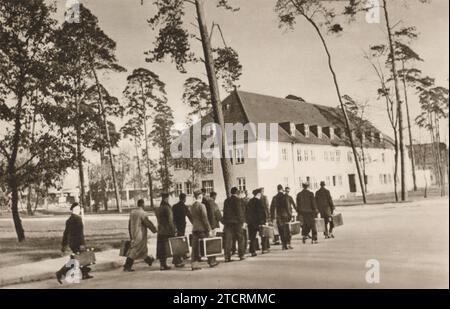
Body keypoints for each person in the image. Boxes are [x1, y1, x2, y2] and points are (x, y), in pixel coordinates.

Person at [56, 203, 93, 283]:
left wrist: (64, 244)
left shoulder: (69, 219)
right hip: (78, 243)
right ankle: (60, 273)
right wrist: (82, 244)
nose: (79, 210)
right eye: (78, 208)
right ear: (75, 209)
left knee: (79, 259)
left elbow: (65, 233)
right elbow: (80, 233)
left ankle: (84, 273)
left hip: (72, 243)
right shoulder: (78, 219)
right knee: (77, 259)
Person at [123, 199, 158, 272]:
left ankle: (149, 260)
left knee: (142, 249)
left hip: (133, 232)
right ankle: (127, 266)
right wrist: (154, 230)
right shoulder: (142, 213)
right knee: (136, 249)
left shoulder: (132, 212)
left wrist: (130, 233)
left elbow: (129, 224)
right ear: (142, 204)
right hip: (140, 234)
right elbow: (147, 223)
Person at [190, 190, 219, 270]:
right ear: (200, 196)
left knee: (195, 248)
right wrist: (209, 229)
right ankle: (212, 261)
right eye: (202, 196)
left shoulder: (192, 206)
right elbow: (205, 218)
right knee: (209, 244)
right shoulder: (202, 205)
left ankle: (194, 264)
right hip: (202, 229)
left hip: (195, 228)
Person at [155, 193, 178, 270]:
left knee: (161, 248)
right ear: (166, 198)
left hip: (160, 230)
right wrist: (174, 229)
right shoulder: (167, 208)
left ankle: (162, 264)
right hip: (167, 230)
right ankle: (177, 261)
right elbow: (170, 220)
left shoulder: (159, 208)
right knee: (171, 246)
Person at [223, 187, 246, 262]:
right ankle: (241, 255)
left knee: (228, 240)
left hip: (228, 223)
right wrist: (242, 222)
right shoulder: (238, 200)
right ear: (237, 193)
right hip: (237, 223)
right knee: (240, 238)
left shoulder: (226, 201)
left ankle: (227, 257)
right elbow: (239, 212)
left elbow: (225, 212)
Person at [270, 185, 293, 250]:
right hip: (285, 216)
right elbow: (287, 207)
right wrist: (290, 215)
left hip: (278, 216)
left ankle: (283, 244)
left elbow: (272, 208)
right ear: (282, 189)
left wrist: (272, 217)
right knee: (287, 230)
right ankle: (288, 244)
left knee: (281, 231)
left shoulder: (274, 197)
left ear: (277, 189)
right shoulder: (285, 196)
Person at [172, 193, 192, 265]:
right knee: (180, 241)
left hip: (175, 225)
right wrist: (194, 223)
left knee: (177, 241)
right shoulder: (184, 207)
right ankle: (177, 259)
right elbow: (190, 216)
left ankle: (182, 255)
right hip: (182, 226)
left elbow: (172, 217)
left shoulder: (174, 206)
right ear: (184, 199)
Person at [246, 188, 267, 257]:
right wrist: (264, 221)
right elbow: (261, 212)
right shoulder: (259, 202)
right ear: (258, 194)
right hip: (259, 222)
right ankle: (264, 249)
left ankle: (253, 251)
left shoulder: (250, 201)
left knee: (252, 237)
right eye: (261, 193)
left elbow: (247, 212)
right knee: (263, 235)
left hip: (251, 223)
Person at [260, 188, 271, 253]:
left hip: (260, 218)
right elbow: (267, 207)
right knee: (265, 232)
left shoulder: (258, 199)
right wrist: (269, 216)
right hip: (265, 217)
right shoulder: (265, 197)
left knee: (262, 233)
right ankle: (266, 247)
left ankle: (265, 247)